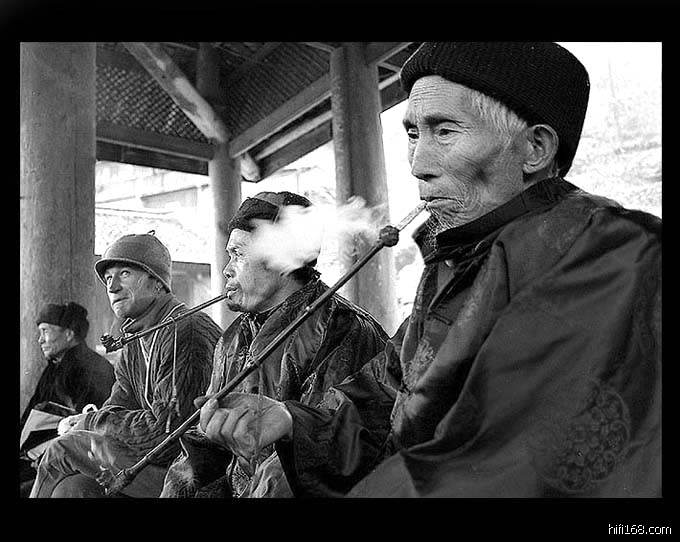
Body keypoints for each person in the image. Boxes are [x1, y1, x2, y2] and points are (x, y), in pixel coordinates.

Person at [195, 42, 662, 497]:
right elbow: (388, 396)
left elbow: (511, 463)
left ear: (534, 149)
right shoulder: (455, 265)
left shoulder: (611, 255)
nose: (418, 165)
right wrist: (291, 420)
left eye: (445, 132)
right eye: (414, 134)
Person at [160, 191, 389, 498]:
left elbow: (320, 453)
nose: (227, 268)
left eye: (238, 254)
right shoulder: (233, 339)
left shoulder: (339, 328)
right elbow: (208, 443)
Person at [29, 232, 222, 498]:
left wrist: (91, 422)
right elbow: (118, 404)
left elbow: (167, 433)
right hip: (153, 461)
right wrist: (93, 424)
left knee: (61, 449)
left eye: (125, 274)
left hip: (192, 470)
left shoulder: (185, 330)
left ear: (157, 282)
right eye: (108, 278)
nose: (112, 287)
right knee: (73, 489)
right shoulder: (136, 338)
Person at [20, 301, 115, 497]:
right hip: (39, 454)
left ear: (69, 334)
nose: (40, 340)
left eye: (45, 331)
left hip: (68, 458)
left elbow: (86, 426)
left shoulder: (93, 368)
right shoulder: (55, 366)